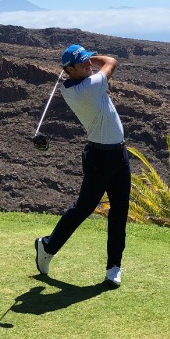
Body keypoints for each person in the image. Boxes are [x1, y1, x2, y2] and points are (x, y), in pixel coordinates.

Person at [35, 45, 131, 287]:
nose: (89, 65)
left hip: (119, 153)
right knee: (83, 208)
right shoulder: (88, 87)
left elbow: (96, 64)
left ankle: (114, 267)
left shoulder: (73, 84)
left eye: (89, 61)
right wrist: (95, 56)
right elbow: (111, 60)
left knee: (119, 211)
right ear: (69, 69)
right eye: (84, 63)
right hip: (100, 157)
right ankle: (47, 246)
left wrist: (83, 57)